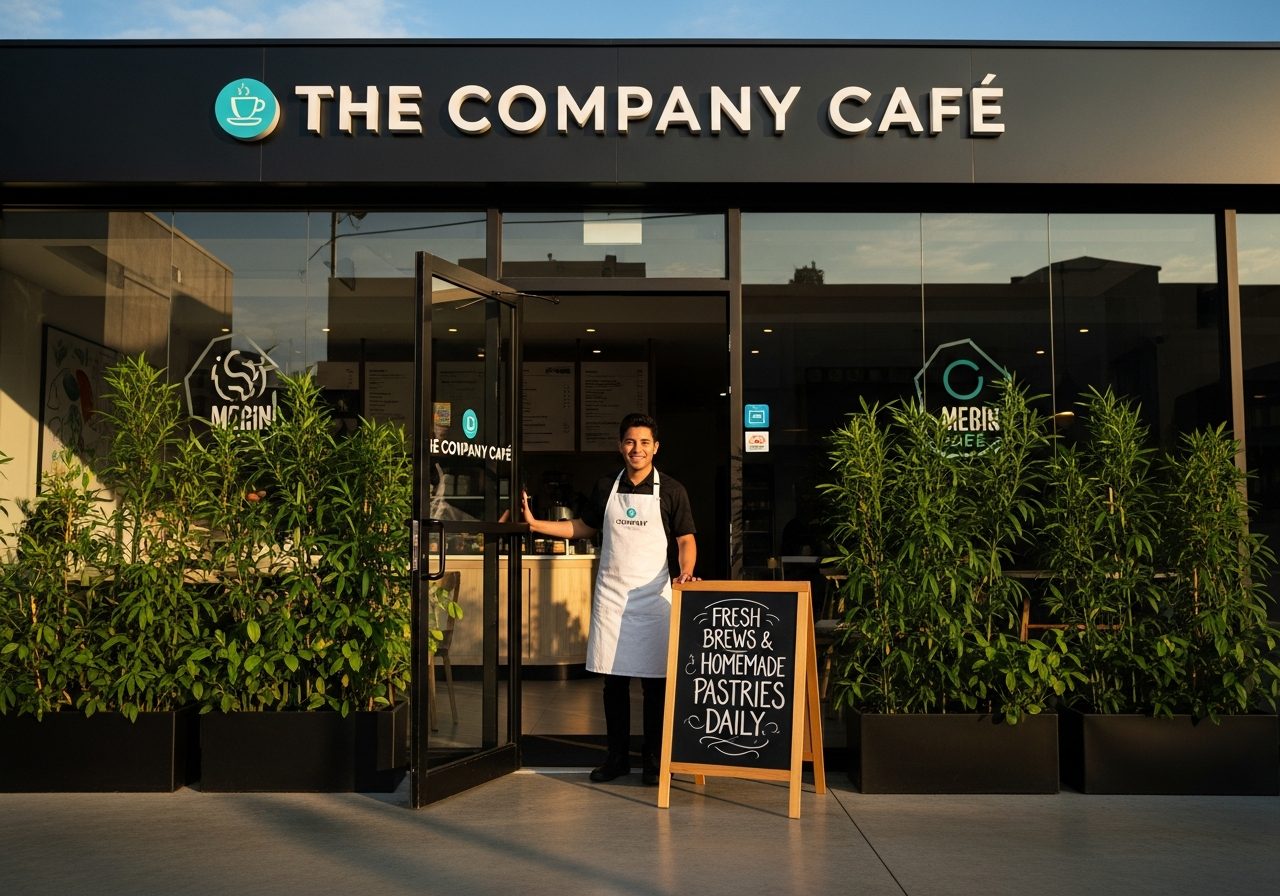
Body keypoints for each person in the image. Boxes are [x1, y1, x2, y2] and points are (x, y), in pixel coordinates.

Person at [522, 412, 698, 785]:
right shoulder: (606, 486)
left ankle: (652, 760)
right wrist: (538, 525)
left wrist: (684, 571)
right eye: (630, 442)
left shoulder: (671, 490)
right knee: (613, 684)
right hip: (614, 598)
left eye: (644, 442)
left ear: (655, 448)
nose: (637, 449)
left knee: (655, 684)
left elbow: (685, 539)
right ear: (621, 446)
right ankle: (615, 758)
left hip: (653, 600)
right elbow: (583, 527)